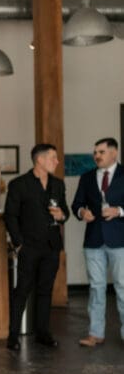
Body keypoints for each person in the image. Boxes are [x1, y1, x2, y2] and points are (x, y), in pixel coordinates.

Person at [4, 143, 70, 350]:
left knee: (45, 290)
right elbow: (10, 216)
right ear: (40, 160)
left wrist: (62, 215)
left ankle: (43, 333)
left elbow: (65, 211)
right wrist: (19, 243)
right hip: (29, 246)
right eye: (53, 158)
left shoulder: (58, 184)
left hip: (51, 246)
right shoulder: (19, 184)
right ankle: (13, 335)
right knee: (22, 290)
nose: (57, 162)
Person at [71, 137, 124, 348]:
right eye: (95, 152)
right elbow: (76, 205)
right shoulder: (86, 178)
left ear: (114, 153)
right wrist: (82, 212)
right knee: (96, 287)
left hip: (120, 240)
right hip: (93, 241)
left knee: (122, 287)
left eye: (101, 152)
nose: (97, 156)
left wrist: (119, 211)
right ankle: (95, 333)